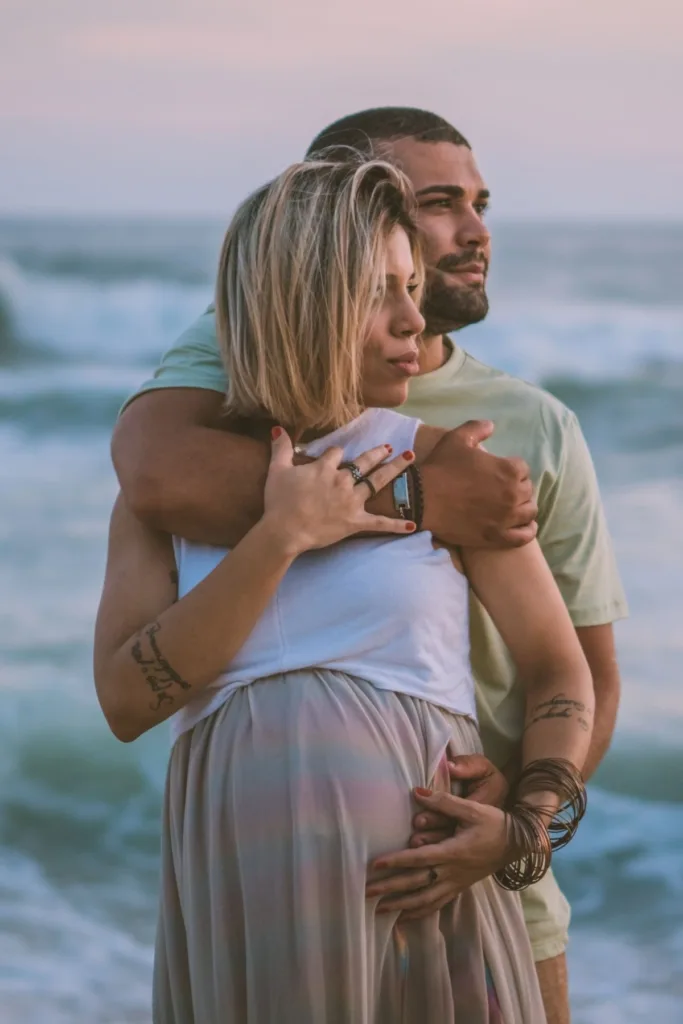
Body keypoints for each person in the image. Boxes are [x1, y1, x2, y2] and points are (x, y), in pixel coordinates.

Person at [111, 108, 628, 1024]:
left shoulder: (469, 451)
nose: (410, 312)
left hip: (452, 887)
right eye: (382, 285)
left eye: (410, 284)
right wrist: (286, 531)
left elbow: (572, 670)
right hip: (251, 894)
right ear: (307, 290)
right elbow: (126, 700)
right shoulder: (178, 469)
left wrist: (523, 829)